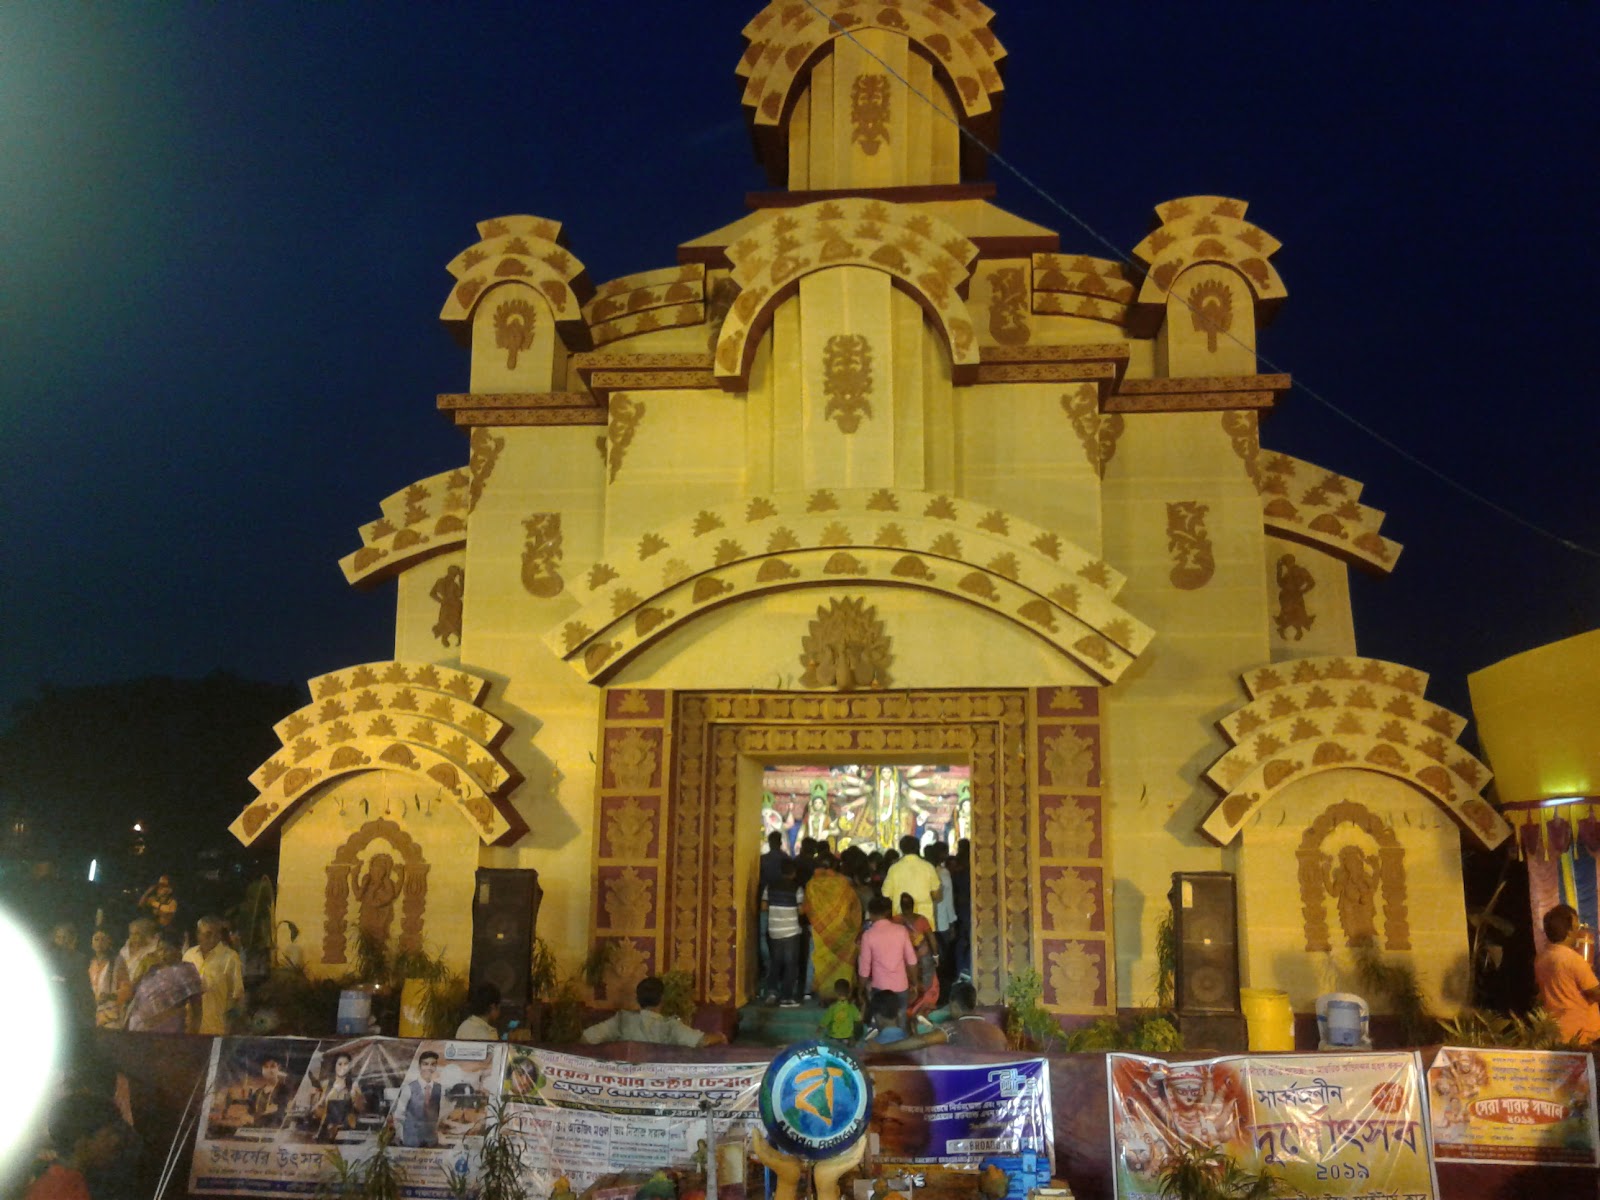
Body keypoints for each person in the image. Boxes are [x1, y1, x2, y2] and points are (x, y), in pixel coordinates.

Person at [25, 1094, 128, 1200]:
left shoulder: (57, 1180)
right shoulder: (63, 1189)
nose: (116, 1141)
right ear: (81, 1141)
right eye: (109, 1135)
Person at [581, 976, 727, 1046]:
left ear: (637, 999)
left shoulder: (621, 1021)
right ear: (662, 999)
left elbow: (586, 1038)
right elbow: (701, 1041)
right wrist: (720, 1037)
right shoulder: (670, 1027)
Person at [869, 982, 1008, 1052]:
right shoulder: (997, 1032)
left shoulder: (953, 1028)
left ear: (953, 1005)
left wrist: (883, 1049)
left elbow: (923, 1041)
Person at [1535, 904, 1600, 1044]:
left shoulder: (1541, 958)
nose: (1579, 929)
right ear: (1569, 930)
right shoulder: (1572, 959)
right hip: (1582, 1036)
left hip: (1556, 1033)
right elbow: (1595, 993)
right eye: (1576, 924)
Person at [802, 853, 861, 998]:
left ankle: (813, 991)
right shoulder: (842, 883)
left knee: (817, 959)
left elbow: (806, 908)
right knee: (840, 962)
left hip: (819, 929)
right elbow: (853, 906)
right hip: (842, 930)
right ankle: (842, 992)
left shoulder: (812, 884)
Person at [857, 895, 918, 1019]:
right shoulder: (901, 931)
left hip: (880, 988)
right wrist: (915, 983)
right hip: (901, 986)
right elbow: (912, 961)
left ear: (870, 913)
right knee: (901, 1021)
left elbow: (864, 969)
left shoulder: (868, 935)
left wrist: (860, 990)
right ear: (888, 912)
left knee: (882, 1021)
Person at [123, 939, 203, 1032]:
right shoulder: (152, 970)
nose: (162, 954)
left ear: (178, 949)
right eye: (160, 950)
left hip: (169, 1030)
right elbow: (135, 997)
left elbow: (197, 1009)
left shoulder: (186, 970)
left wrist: (193, 1034)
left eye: (167, 950)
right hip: (139, 1029)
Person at [183, 916, 244, 1036]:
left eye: (216, 934)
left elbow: (237, 995)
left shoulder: (230, 957)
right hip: (190, 1029)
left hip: (216, 1029)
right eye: (207, 934)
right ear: (198, 935)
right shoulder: (189, 955)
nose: (212, 938)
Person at [764, 859, 806, 1006]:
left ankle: (771, 993)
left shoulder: (770, 887)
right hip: (791, 932)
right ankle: (786, 997)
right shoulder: (797, 889)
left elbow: (764, 906)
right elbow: (801, 910)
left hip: (774, 930)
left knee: (775, 962)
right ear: (794, 873)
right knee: (790, 964)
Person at [894, 892, 940, 1018]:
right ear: (913, 906)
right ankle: (924, 1009)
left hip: (904, 960)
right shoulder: (922, 920)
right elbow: (932, 939)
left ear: (901, 906)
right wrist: (935, 956)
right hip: (924, 959)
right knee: (927, 983)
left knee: (908, 983)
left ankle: (909, 1010)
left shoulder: (896, 921)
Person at [881, 835, 941, 926]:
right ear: (918, 847)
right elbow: (936, 895)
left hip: (901, 920)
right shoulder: (928, 867)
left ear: (901, 849)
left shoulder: (894, 869)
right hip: (925, 919)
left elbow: (886, 893)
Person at [756, 831, 788, 984]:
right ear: (781, 842)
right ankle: (779, 968)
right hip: (783, 904)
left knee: (762, 936)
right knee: (780, 938)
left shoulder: (762, 860)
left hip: (764, 903)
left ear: (769, 842)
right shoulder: (786, 859)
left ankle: (768, 965)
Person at [396, 1051, 444, 1148]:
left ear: (436, 1067)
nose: (429, 1068)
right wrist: (402, 1137)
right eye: (425, 1064)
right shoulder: (409, 1088)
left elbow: (440, 1114)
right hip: (411, 1140)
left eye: (433, 1064)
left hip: (431, 1141)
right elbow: (398, 1115)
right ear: (419, 1066)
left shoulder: (439, 1089)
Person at [312, 1051, 364, 1141]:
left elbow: (360, 1109)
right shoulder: (326, 1085)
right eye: (339, 1064)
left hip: (346, 1134)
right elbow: (318, 1111)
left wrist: (356, 1097)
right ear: (334, 1066)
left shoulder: (354, 1086)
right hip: (326, 1132)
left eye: (346, 1064)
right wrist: (318, 1105)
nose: (342, 1067)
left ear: (350, 1066)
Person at [113, 920, 159, 1019]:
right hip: (122, 996)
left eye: (137, 934)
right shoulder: (124, 950)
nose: (133, 937)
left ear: (146, 934)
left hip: (142, 998)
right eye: (131, 933)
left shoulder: (152, 951)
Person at [928, 844, 958, 995]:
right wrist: (952, 922)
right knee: (943, 959)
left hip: (926, 921)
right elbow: (948, 900)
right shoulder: (944, 873)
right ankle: (943, 991)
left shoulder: (923, 873)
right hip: (942, 921)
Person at [246, 1056, 292, 1126]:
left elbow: (283, 1113)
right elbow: (250, 1112)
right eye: (265, 1067)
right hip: (256, 1130)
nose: (269, 1070)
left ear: (278, 1068)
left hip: (275, 1130)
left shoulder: (284, 1090)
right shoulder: (258, 1092)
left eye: (272, 1066)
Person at [87, 932, 120, 1028]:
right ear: (92, 943)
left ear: (109, 942)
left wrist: (110, 996)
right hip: (91, 1012)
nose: (99, 943)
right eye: (96, 939)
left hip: (110, 1013)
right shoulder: (89, 963)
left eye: (103, 940)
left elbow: (126, 988)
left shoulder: (117, 962)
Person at [819, 978, 860, 1043]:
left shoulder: (833, 1007)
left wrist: (819, 1029)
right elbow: (858, 1019)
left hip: (834, 1036)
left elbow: (825, 1021)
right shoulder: (852, 1007)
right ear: (849, 991)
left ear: (835, 992)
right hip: (847, 1037)